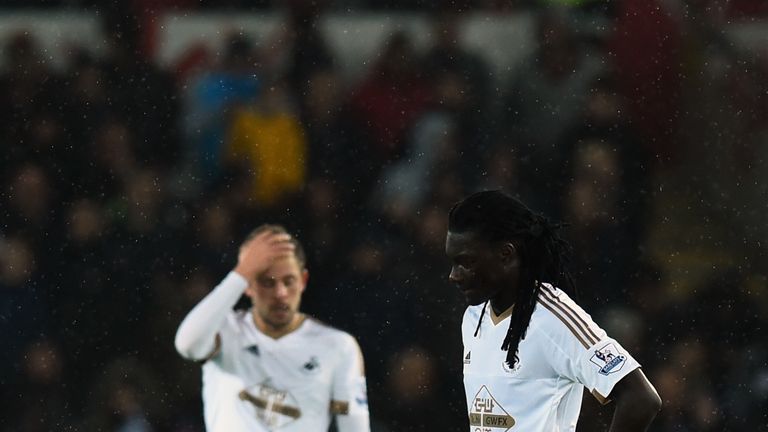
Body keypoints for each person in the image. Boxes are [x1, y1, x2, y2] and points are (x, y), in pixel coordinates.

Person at [445, 190, 661, 431]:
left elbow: (641, 399)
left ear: (506, 254)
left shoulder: (553, 318)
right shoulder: (473, 318)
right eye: (453, 263)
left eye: (466, 262)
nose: (454, 276)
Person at [175, 224, 370, 431]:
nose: (280, 293)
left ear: (303, 281)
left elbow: (354, 428)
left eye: (289, 281)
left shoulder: (337, 346)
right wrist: (241, 272)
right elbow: (187, 345)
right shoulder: (224, 332)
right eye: (268, 282)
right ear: (248, 285)